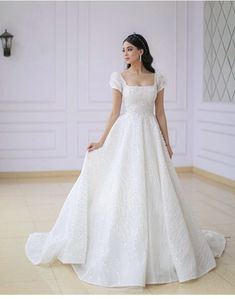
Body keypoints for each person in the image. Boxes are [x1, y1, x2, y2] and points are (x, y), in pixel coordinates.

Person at [25, 33, 227, 289]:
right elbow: (114, 112)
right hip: (127, 134)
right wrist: (100, 142)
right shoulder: (119, 77)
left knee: (156, 188)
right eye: (123, 50)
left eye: (129, 49)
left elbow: (161, 114)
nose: (125, 54)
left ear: (141, 51)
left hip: (150, 135)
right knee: (124, 186)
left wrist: (168, 142)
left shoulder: (158, 78)